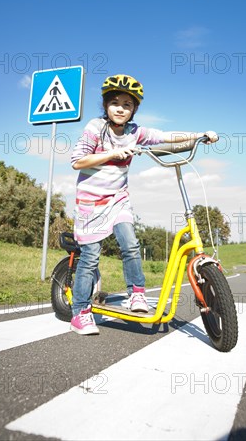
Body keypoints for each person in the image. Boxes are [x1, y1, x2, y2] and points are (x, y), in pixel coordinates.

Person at [70, 74, 218, 335]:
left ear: (133, 110)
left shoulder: (135, 133)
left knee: (131, 244)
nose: (120, 108)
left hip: (118, 199)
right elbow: (78, 161)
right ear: (105, 105)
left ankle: (136, 294)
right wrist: (112, 154)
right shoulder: (95, 127)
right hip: (91, 203)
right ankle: (80, 312)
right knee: (91, 258)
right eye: (115, 102)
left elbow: (165, 136)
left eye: (127, 105)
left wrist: (200, 135)